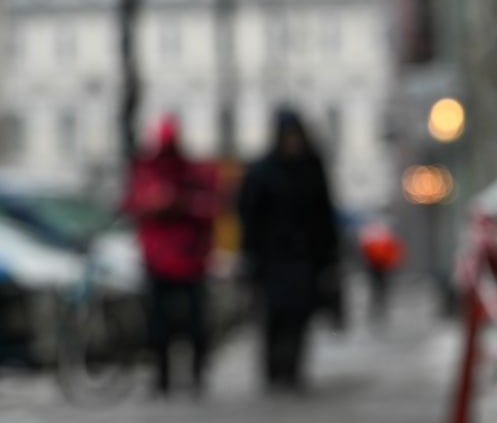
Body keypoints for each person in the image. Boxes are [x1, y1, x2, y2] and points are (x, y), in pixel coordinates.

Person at [237, 107, 339, 393]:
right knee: (274, 317)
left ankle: (292, 369)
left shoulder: (311, 169)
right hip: (273, 258)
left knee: (299, 316)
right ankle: (274, 370)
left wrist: (328, 256)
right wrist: (251, 255)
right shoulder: (262, 172)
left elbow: (324, 215)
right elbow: (249, 216)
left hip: (304, 257)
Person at [123, 114, 218, 398]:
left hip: (187, 259)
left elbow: (210, 207)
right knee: (162, 323)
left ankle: (191, 374)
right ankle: (165, 376)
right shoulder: (150, 172)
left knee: (192, 323)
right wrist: (157, 206)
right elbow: (133, 205)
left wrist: (182, 205)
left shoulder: (188, 174)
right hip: (162, 260)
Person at [357, 218, 403, 326]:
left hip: (378, 267)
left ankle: (378, 310)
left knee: (378, 289)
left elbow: (364, 251)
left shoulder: (372, 237)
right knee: (380, 289)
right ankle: (379, 310)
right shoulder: (383, 238)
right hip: (378, 267)